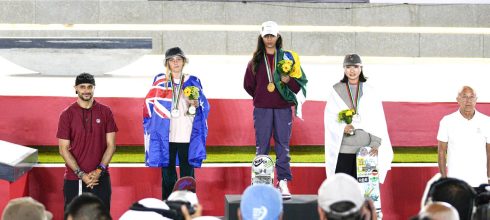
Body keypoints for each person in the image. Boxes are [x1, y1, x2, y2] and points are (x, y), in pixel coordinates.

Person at [243, 21, 308, 199]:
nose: (269, 39)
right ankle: (260, 180)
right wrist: (262, 95)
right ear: (262, 37)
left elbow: (298, 86)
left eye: (272, 35)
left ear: (278, 36)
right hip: (262, 108)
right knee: (262, 145)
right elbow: (248, 85)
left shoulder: (288, 59)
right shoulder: (255, 60)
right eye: (266, 36)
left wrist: (289, 82)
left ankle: (283, 182)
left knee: (283, 146)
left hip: (283, 108)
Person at [144, 47, 210, 200]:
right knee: (168, 178)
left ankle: (189, 208)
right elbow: (149, 105)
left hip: (187, 136)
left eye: (178, 59)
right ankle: (168, 209)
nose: (175, 63)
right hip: (166, 137)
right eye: (172, 60)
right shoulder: (160, 81)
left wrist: (195, 103)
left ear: (184, 62)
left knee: (188, 178)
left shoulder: (193, 80)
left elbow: (204, 106)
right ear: (167, 63)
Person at [324, 54, 393, 183]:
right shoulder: (336, 90)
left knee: (365, 192)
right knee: (343, 190)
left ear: (361, 68)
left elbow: (378, 119)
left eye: (355, 66)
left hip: (366, 150)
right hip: (343, 149)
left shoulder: (370, 90)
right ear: (344, 69)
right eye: (348, 66)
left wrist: (375, 143)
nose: (352, 70)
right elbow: (330, 117)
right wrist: (342, 127)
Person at [57, 73, 118, 211]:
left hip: (100, 177)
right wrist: (82, 175)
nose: (86, 90)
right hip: (75, 178)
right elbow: (63, 149)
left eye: (90, 87)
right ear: (76, 88)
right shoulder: (67, 114)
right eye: (82, 87)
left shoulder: (106, 112)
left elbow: (111, 145)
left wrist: (99, 170)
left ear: (94, 88)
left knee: (101, 216)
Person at [437, 86, 490, 187]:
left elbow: (489, 152)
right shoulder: (447, 121)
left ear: (476, 100)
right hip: (455, 183)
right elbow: (441, 151)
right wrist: (444, 179)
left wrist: (489, 178)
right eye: (464, 97)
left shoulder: (487, 122)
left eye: (471, 97)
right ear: (458, 100)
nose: (468, 101)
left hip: (480, 182)